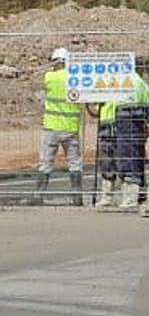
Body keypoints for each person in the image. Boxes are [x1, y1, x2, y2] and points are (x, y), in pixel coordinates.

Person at [36, 47, 83, 205]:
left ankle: (38, 196)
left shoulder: (49, 77)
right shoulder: (76, 77)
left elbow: (40, 94)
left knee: (46, 163)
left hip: (51, 127)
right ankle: (77, 199)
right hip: (71, 127)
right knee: (75, 163)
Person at [112, 69, 149, 209]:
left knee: (127, 159)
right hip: (139, 125)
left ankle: (130, 198)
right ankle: (141, 194)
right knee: (137, 158)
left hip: (125, 125)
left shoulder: (122, 83)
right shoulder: (143, 84)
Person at [85, 99, 119, 207]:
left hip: (119, 128)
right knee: (106, 163)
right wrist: (87, 104)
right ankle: (107, 196)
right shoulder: (103, 91)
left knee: (124, 163)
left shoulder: (120, 88)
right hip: (105, 130)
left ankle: (130, 196)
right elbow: (96, 112)